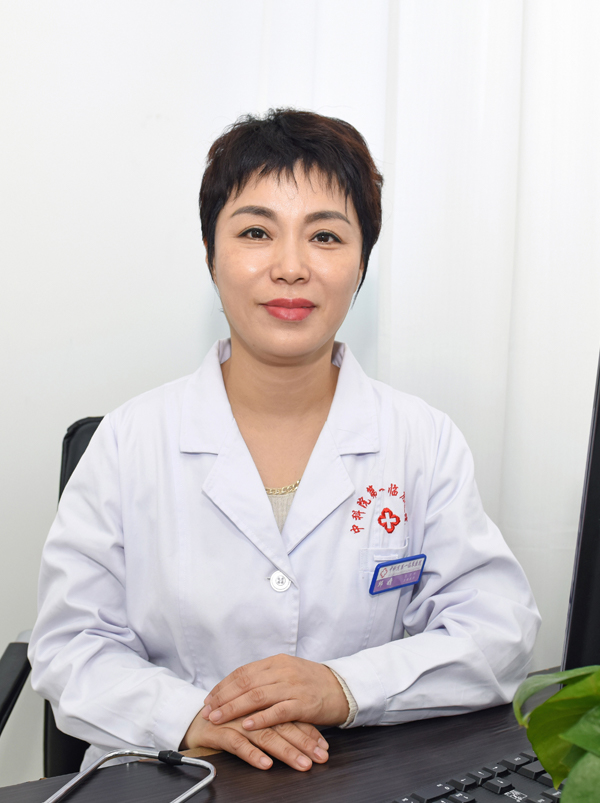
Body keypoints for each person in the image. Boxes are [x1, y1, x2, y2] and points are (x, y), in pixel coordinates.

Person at [29, 109, 541, 774]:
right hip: (167, 775)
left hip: (355, 775)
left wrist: (344, 686)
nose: (291, 267)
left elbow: (498, 631)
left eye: (325, 236)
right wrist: (192, 716)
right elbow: (70, 646)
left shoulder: (421, 439)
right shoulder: (129, 441)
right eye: (255, 232)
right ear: (211, 255)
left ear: (361, 263)